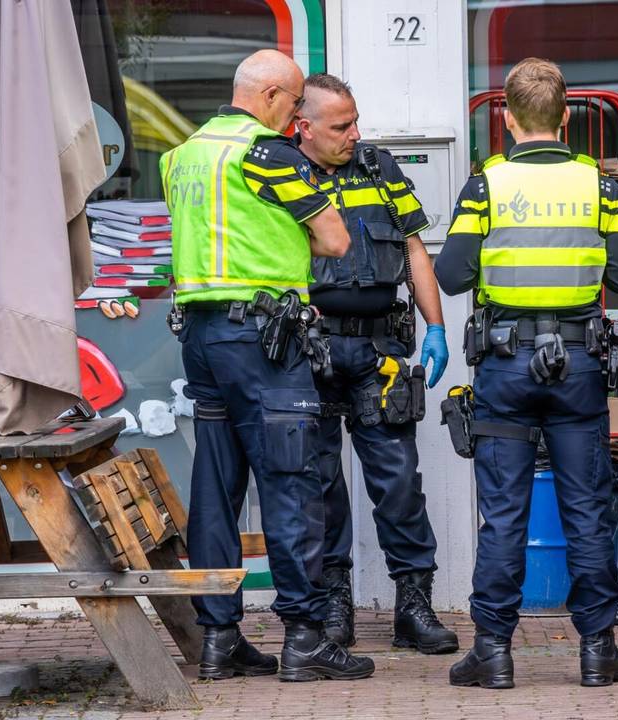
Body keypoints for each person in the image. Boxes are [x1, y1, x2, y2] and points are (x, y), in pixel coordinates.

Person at [434, 57, 618, 689]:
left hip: (505, 366)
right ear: (564, 117)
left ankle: (493, 653)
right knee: (587, 510)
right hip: (580, 365)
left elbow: (450, 276)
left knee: (503, 514)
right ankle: (598, 652)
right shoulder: (601, 187)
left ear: (505, 116)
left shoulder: (486, 186)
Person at [160, 49, 373, 683]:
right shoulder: (267, 153)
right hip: (264, 339)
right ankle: (305, 637)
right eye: (294, 103)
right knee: (291, 482)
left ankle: (219, 639)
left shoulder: (182, 156)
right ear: (275, 96)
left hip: (201, 335)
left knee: (216, 491)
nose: (295, 116)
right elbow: (334, 239)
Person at [292, 72, 457, 654]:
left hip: (378, 354)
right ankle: (334, 608)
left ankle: (413, 606)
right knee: (318, 487)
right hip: (307, 351)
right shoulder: (281, 173)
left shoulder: (380, 170)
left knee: (397, 484)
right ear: (303, 126)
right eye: (341, 126)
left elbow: (415, 249)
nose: (354, 133)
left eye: (355, 121)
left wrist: (437, 327)